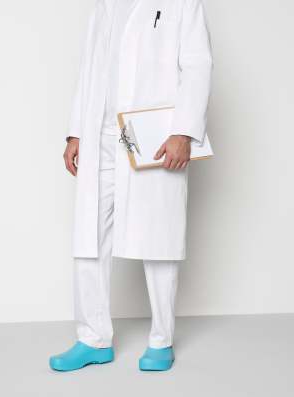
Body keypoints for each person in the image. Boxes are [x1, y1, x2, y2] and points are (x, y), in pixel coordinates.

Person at [50, 0, 213, 372]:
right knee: (89, 237)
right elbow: (89, 68)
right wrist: (76, 132)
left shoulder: (183, 3)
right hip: (101, 137)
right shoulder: (105, 5)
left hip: (153, 135)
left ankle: (161, 341)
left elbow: (198, 66)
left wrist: (183, 132)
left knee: (158, 237)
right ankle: (93, 339)